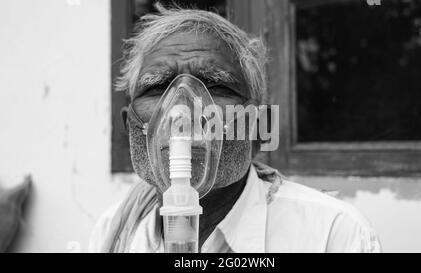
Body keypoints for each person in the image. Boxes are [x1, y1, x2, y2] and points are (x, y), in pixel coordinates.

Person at [89, 4, 381, 253]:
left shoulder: (330, 234)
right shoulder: (114, 233)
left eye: (216, 86)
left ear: (258, 129)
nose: (182, 111)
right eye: (156, 86)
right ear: (130, 129)